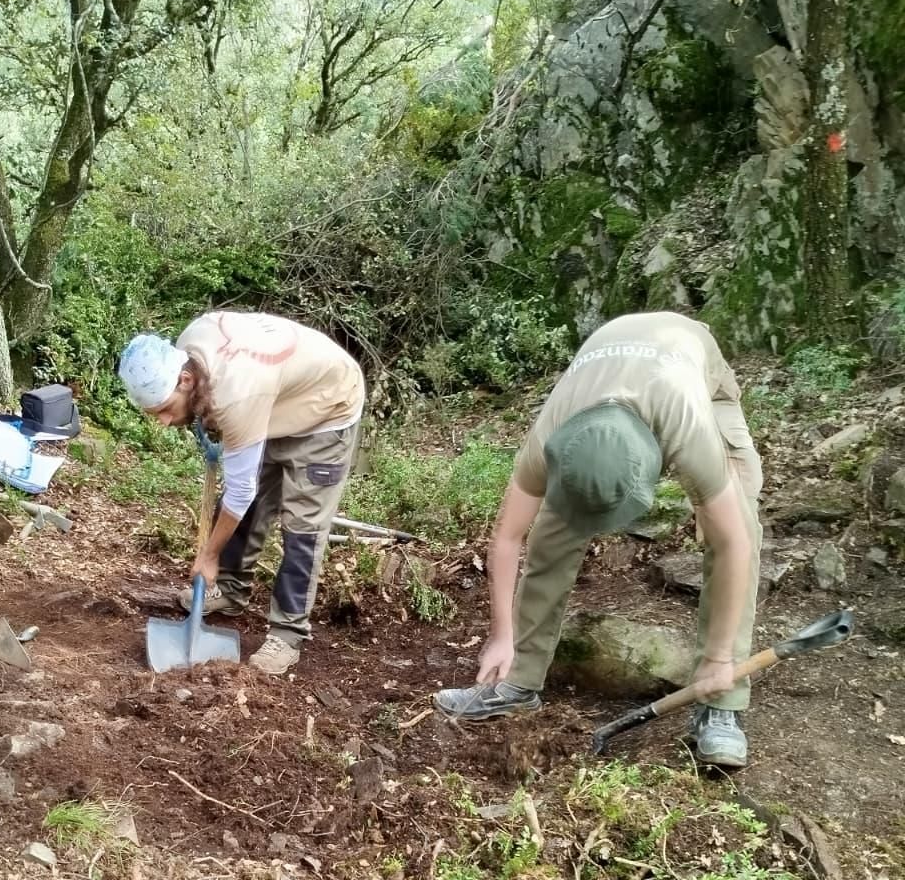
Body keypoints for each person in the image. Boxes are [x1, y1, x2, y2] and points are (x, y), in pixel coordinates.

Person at [433, 311, 763, 767]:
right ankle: (518, 680)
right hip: (606, 364)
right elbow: (508, 537)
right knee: (551, 527)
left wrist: (721, 657)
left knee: (738, 524)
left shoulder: (689, 431)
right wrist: (502, 636)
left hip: (692, 363)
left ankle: (721, 705)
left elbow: (734, 545)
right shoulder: (552, 432)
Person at [118, 311, 365, 675]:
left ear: (186, 380)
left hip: (327, 408)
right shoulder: (189, 348)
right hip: (276, 399)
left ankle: (288, 632)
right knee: (248, 506)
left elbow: (239, 490)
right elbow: (243, 493)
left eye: (166, 410)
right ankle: (231, 591)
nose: (165, 422)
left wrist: (209, 555)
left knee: (302, 526)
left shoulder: (237, 394)